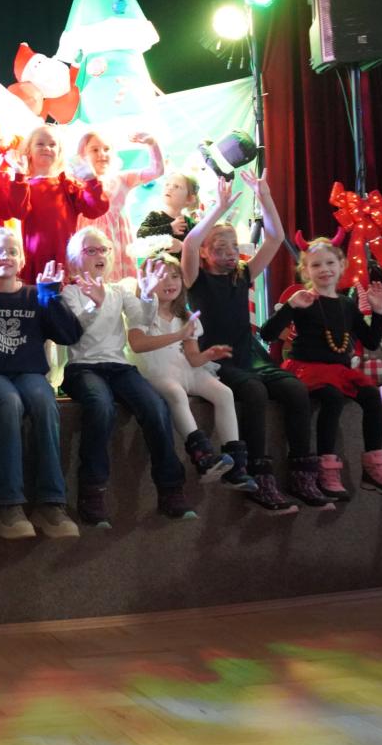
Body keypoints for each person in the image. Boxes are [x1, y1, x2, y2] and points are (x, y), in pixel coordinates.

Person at [182, 172, 309, 514]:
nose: (229, 254)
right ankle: (258, 472)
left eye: (233, 248)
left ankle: (301, 470)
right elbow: (189, 244)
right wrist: (218, 209)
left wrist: (264, 196)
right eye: (220, 249)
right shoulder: (196, 279)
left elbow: (275, 237)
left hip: (249, 353)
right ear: (205, 253)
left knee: (296, 390)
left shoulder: (242, 274)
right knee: (253, 391)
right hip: (216, 358)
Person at [60, 227, 194, 526]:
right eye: (90, 250)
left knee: (155, 406)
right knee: (101, 406)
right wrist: (94, 304)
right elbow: (73, 332)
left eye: (104, 250)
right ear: (75, 260)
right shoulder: (70, 292)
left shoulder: (119, 291)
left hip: (117, 366)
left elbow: (141, 320)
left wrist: (147, 294)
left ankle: (170, 489)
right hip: (83, 366)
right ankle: (92, 490)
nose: (99, 255)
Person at [0, 228, 83, 539]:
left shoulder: (34, 295)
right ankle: (8, 504)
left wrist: (50, 295)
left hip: (29, 374)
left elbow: (69, 335)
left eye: (12, 251)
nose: (6, 257)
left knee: (43, 399)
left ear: (22, 259)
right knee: (9, 401)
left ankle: (51, 503)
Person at [259, 238, 382, 500]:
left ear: (341, 265)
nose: (324, 269)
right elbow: (267, 334)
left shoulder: (347, 304)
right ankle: (326, 467)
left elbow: (371, 342)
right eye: (316, 265)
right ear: (306, 271)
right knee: (332, 397)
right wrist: (290, 306)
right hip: (307, 368)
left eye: (330, 263)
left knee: (372, 396)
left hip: (338, 370)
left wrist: (378, 313)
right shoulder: (304, 300)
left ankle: (373, 465)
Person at [127, 254, 255, 491]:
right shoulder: (140, 311)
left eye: (175, 276)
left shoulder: (184, 316)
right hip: (155, 369)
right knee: (176, 394)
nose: (170, 282)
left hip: (184, 368)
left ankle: (236, 465)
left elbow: (193, 358)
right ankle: (202, 456)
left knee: (224, 393)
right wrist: (178, 335)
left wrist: (209, 355)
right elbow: (138, 344)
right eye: (161, 277)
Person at [0, 124, 108, 282]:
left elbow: (96, 209)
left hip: (65, 260)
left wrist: (91, 181)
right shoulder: (23, 184)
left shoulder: (68, 185)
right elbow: (18, 211)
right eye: (40, 144)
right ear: (29, 150)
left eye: (52, 144)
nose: (46, 148)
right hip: (35, 260)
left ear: (59, 152)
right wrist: (19, 176)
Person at [75, 131, 164, 282]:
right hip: (87, 242)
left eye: (106, 149)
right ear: (82, 154)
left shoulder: (122, 179)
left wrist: (152, 144)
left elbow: (157, 170)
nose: (102, 154)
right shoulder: (75, 182)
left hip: (116, 242)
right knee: (89, 282)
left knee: (118, 285)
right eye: (94, 150)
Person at [133, 171, 202, 258]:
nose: (169, 188)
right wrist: (170, 228)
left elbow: (199, 251)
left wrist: (182, 247)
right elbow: (141, 234)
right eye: (167, 184)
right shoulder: (155, 216)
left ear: (189, 199)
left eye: (176, 186)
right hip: (156, 265)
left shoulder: (191, 224)